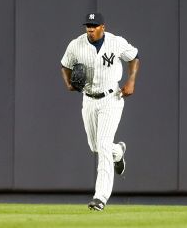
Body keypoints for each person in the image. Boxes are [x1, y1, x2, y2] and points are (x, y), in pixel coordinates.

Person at [60, 12, 140, 211]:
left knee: (103, 144)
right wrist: (69, 83)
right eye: (88, 25)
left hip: (111, 98)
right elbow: (64, 65)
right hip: (89, 99)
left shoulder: (116, 42)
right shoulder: (76, 45)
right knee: (95, 146)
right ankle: (118, 151)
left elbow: (134, 57)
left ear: (103, 27)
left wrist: (131, 80)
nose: (90, 28)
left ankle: (100, 197)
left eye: (94, 25)